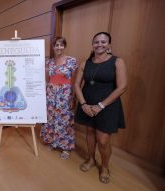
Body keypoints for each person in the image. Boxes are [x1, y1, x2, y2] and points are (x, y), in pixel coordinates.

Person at [74, 32, 127, 184]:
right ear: (92, 45)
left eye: (103, 42)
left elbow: (122, 87)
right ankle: (90, 159)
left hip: (107, 106)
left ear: (109, 44)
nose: (99, 44)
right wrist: (83, 104)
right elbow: (77, 85)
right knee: (90, 134)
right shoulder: (86, 63)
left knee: (103, 140)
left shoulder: (118, 62)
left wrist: (101, 105)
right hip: (87, 105)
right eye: (96, 42)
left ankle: (104, 167)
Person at [40, 37, 78, 159]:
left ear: (64, 46)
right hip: (51, 93)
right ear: (53, 47)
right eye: (56, 45)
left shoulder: (72, 61)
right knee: (51, 119)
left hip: (65, 94)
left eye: (61, 45)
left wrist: (73, 97)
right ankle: (53, 141)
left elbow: (75, 81)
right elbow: (47, 79)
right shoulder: (49, 62)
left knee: (64, 120)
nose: (59, 47)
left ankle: (66, 147)